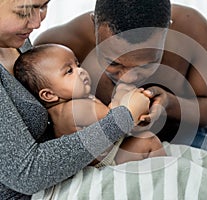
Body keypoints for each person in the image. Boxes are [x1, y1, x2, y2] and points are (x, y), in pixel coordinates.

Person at [34, 0, 207, 199]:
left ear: (167, 29)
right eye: (113, 63)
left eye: (147, 63)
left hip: (187, 115)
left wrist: (169, 104)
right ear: (94, 24)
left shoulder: (191, 26)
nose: (128, 76)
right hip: (148, 142)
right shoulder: (58, 51)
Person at [0, 1, 150, 199]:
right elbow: (26, 173)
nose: (37, 23)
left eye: (43, 6)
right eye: (24, 12)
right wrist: (124, 115)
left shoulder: (16, 42)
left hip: (66, 175)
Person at [13, 43, 166, 167]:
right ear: (49, 95)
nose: (80, 71)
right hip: (105, 162)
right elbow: (113, 119)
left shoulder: (71, 104)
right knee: (149, 140)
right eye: (69, 71)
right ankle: (164, 178)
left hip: (110, 149)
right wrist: (124, 97)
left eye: (77, 64)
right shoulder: (71, 110)